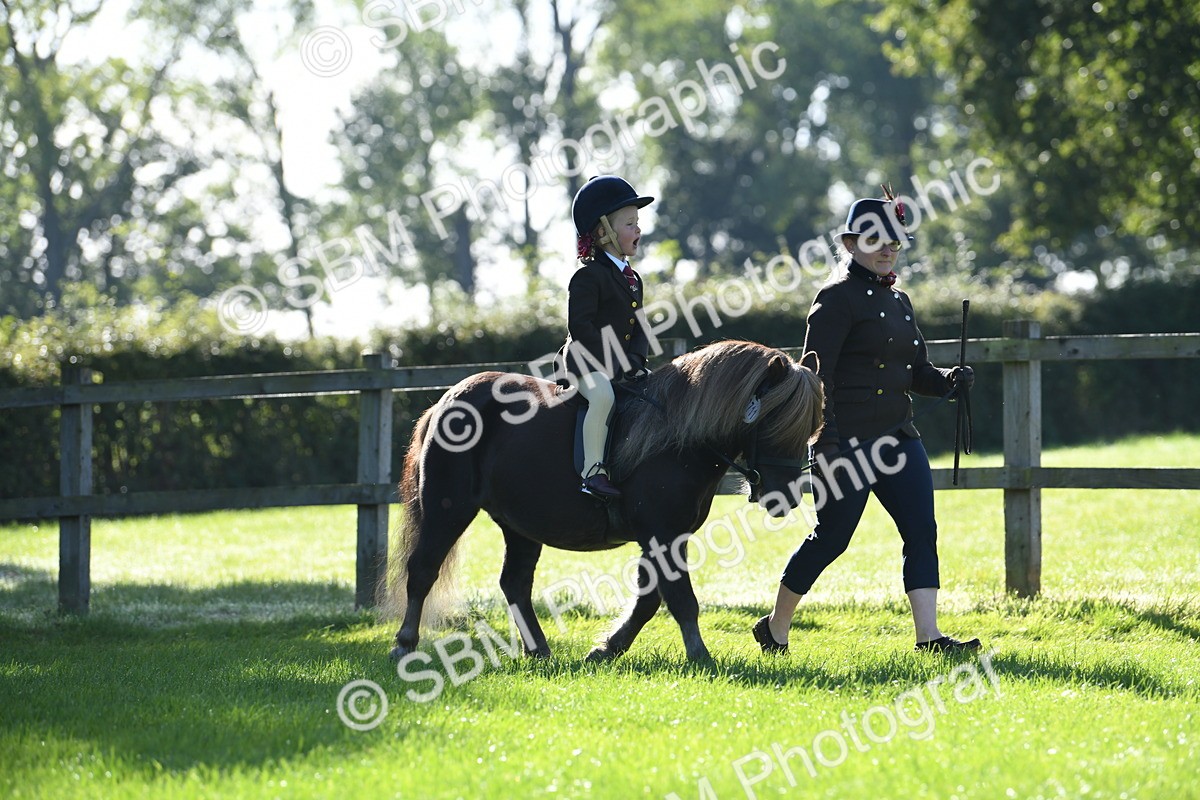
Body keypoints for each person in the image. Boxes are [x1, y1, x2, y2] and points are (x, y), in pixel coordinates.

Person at [752, 191, 980, 653]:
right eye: (876, 240)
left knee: (921, 531)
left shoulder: (900, 301)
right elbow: (817, 378)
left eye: (894, 241)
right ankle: (775, 627)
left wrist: (949, 381)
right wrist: (827, 442)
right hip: (846, 443)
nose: (887, 248)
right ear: (851, 244)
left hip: (899, 438)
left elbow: (916, 371)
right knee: (831, 539)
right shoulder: (834, 300)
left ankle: (929, 637)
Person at [554, 175, 654, 498]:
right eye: (629, 223)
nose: (637, 230)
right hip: (586, 364)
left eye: (637, 222)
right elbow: (581, 328)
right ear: (603, 232)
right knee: (604, 398)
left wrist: (636, 361)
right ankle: (593, 471)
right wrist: (616, 361)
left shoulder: (633, 279)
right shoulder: (586, 277)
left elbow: (639, 326)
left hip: (622, 364)